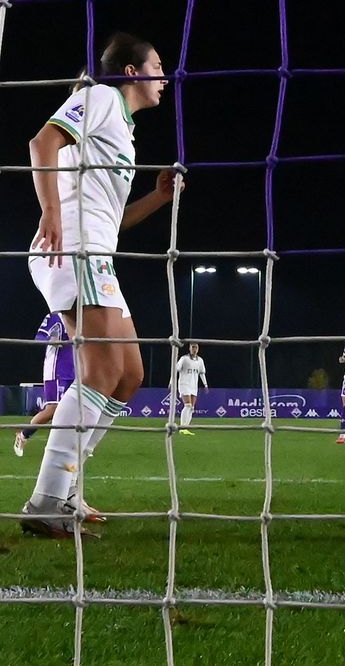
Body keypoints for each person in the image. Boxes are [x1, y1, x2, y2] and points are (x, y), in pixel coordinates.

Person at [21, 33, 178, 537]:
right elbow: (41, 141)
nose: (165, 76)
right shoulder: (101, 96)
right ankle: (47, 500)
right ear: (131, 71)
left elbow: (112, 220)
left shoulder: (123, 130)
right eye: (158, 65)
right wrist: (52, 215)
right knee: (103, 369)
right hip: (74, 251)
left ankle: (65, 490)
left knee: (128, 374)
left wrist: (157, 199)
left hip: (96, 252)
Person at [14, 313, 77, 457]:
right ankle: (23, 435)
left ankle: (73, 444)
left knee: (75, 408)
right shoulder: (54, 317)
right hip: (56, 371)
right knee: (52, 409)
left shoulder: (79, 318)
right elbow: (40, 338)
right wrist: (54, 340)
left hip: (74, 371)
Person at [174, 342, 208, 436]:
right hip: (184, 384)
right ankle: (182, 427)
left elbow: (202, 373)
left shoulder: (200, 360)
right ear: (189, 348)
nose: (194, 349)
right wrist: (171, 382)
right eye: (193, 347)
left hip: (194, 386)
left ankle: (186, 427)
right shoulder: (184, 359)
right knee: (188, 405)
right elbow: (176, 370)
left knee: (192, 408)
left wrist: (205, 385)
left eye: (196, 347)